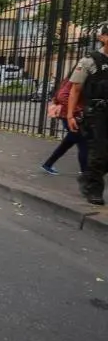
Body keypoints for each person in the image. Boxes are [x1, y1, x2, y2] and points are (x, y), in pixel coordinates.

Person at [67, 22, 108, 205]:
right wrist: (70, 115)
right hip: (97, 113)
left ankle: (87, 176)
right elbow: (75, 90)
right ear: (102, 37)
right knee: (98, 152)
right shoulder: (90, 60)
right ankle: (94, 190)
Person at [41, 69, 87, 175]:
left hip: (69, 116)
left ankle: (48, 164)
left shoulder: (70, 79)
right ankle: (86, 173)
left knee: (69, 142)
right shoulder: (74, 80)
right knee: (83, 142)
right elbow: (62, 96)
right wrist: (76, 110)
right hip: (70, 116)